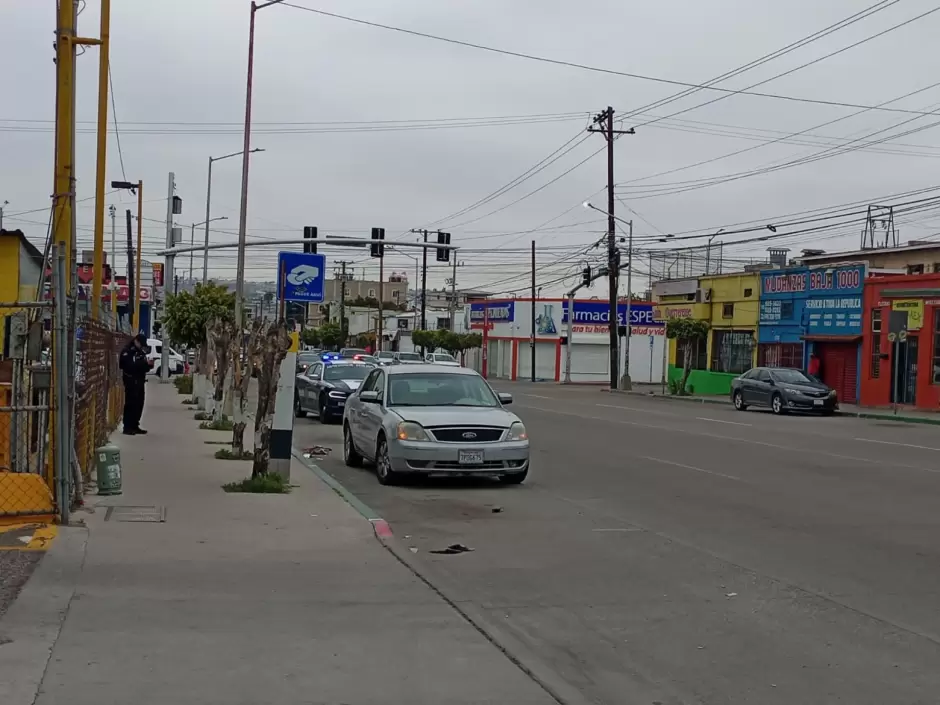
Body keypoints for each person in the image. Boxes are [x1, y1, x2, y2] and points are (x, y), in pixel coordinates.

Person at [119, 334, 151, 435]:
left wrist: (148, 365)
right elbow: (128, 366)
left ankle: (135, 425)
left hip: (140, 381)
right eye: (140, 344)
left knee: (139, 404)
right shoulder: (127, 351)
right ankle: (127, 427)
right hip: (131, 381)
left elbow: (143, 367)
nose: (141, 346)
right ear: (136, 341)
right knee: (131, 404)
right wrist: (142, 364)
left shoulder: (140, 352)